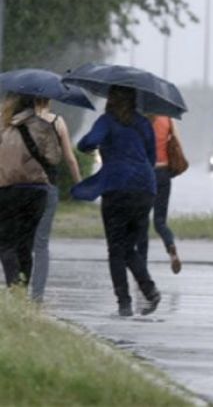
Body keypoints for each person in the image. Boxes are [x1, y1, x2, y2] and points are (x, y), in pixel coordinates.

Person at [72, 86, 162, 317]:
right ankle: (149, 290)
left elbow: (88, 143)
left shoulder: (107, 121)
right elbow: (151, 157)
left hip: (117, 187)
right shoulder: (143, 123)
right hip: (144, 188)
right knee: (129, 246)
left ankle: (124, 302)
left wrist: (93, 145)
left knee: (116, 248)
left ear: (111, 99)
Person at [0, 94, 61, 289]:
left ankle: (13, 286)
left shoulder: (3, 126)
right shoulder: (43, 126)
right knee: (26, 244)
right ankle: (22, 290)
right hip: (36, 192)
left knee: (7, 242)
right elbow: (54, 158)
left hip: (7, 190)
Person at [29, 98, 82, 302]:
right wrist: (79, 185)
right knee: (41, 243)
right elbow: (69, 157)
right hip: (47, 186)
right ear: (49, 99)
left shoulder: (17, 120)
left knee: (20, 240)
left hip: (20, 186)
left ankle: (17, 287)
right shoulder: (57, 122)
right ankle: (37, 296)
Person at [136, 115, 182, 274]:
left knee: (142, 222)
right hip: (164, 173)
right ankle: (170, 246)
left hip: (145, 174)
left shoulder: (140, 120)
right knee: (160, 221)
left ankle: (142, 266)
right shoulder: (168, 119)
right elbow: (177, 142)